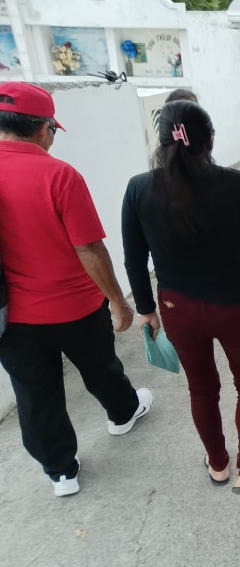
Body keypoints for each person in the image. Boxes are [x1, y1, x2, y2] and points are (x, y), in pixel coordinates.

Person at [0, 82, 152, 497]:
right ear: (42, 127)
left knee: (35, 395)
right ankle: (123, 414)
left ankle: (61, 472)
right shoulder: (59, 175)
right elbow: (89, 248)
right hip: (75, 308)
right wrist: (118, 302)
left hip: (10, 317)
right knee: (101, 368)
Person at [122, 100, 240, 498]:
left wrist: (146, 310)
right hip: (235, 303)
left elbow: (134, 259)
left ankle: (218, 464)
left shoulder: (138, 188)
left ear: (161, 142)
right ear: (209, 139)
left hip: (177, 308)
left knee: (202, 389)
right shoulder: (233, 182)